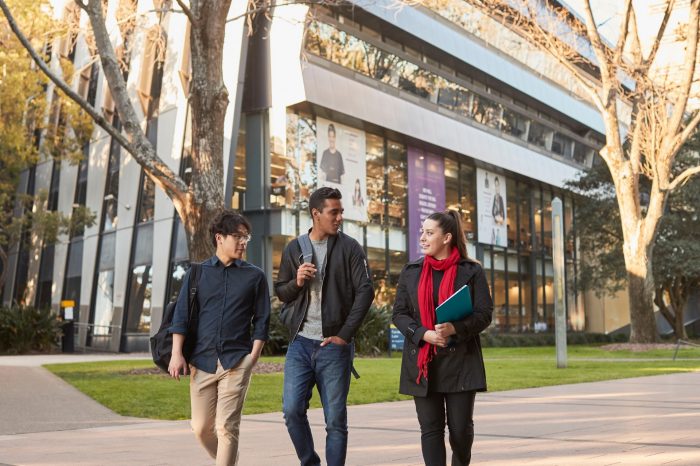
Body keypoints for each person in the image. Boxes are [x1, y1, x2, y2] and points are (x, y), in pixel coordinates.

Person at [275, 187, 374, 466]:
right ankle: (310, 463)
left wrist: (344, 335)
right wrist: (296, 282)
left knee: (335, 421)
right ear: (316, 214)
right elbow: (282, 292)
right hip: (301, 344)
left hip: (334, 346)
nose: (340, 217)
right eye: (334, 212)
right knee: (292, 410)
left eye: (341, 211)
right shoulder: (294, 249)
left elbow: (365, 292)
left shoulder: (350, 247)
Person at [168, 210, 270, 466]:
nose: (243, 242)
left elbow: (262, 320)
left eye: (247, 237)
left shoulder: (255, 276)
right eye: (237, 236)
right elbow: (181, 315)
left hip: (236, 360)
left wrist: (252, 357)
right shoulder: (198, 273)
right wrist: (176, 353)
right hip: (201, 360)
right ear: (219, 238)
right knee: (201, 427)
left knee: (226, 426)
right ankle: (230, 458)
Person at [392, 210, 493, 466]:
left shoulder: (472, 271)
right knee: (431, 429)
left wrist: (455, 328)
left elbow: (484, 314)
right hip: (424, 364)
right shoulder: (411, 271)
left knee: (460, 430)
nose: (422, 238)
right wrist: (423, 333)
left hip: (460, 362)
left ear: (447, 237)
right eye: (422, 232)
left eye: (429, 233)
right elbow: (400, 314)